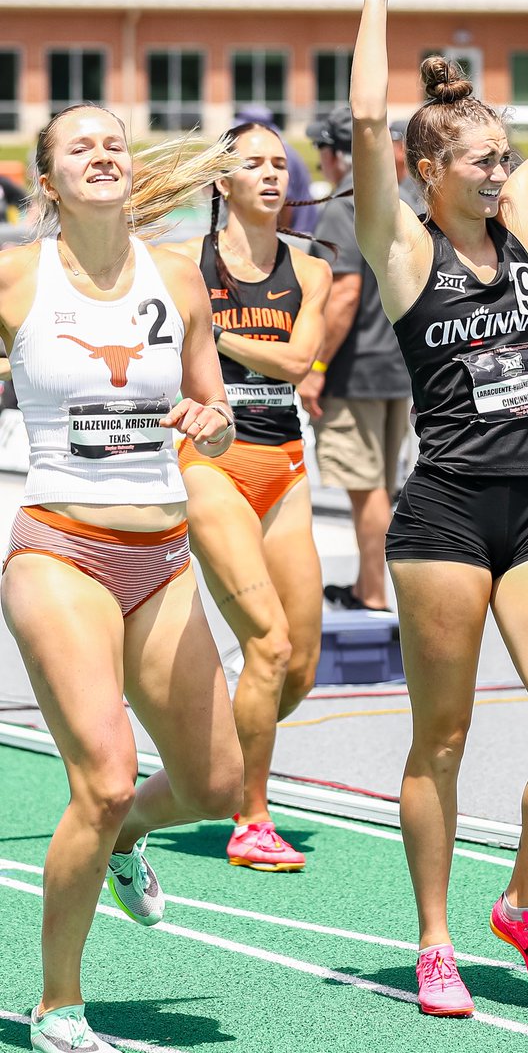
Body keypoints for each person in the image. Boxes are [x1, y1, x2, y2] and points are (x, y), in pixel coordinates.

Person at [350, 0, 528, 1017]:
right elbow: (364, 114)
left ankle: (524, 902)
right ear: (429, 170)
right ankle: (437, 940)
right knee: (442, 738)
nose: (506, 170)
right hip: (445, 514)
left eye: (508, 156)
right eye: (486, 159)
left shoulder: (527, 230)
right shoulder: (404, 249)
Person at [0, 104, 244, 1053]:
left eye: (115, 143)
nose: (103, 155)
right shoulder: (18, 280)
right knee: (99, 781)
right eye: (80, 147)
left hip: (163, 552)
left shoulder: (177, 278)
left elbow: (215, 406)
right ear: (48, 182)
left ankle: (130, 842)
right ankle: (59, 1003)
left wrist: (210, 424)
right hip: (59, 548)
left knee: (217, 784)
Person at [167, 121, 332, 870]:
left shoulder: (312, 268)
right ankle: (253, 815)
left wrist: (205, 330)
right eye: (252, 164)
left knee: (296, 664)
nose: (271, 175)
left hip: (286, 462)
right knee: (266, 641)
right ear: (219, 182)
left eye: (279, 164)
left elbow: (299, 361)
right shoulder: (180, 265)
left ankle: (221, 756)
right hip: (207, 461)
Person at [299, 106, 412, 613]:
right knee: (383, 488)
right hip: (402, 362)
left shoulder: (344, 206)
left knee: (366, 491)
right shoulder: (407, 198)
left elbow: (342, 298)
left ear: (333, 153)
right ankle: (374, 588)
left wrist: (316, 367)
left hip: (355, 366)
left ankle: (373, 593)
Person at [233, 104, 319, 233]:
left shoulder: (282, 152)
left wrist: (278, 238)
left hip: (296, 232)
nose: (271, 173)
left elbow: (285, 204)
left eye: (279, 166)